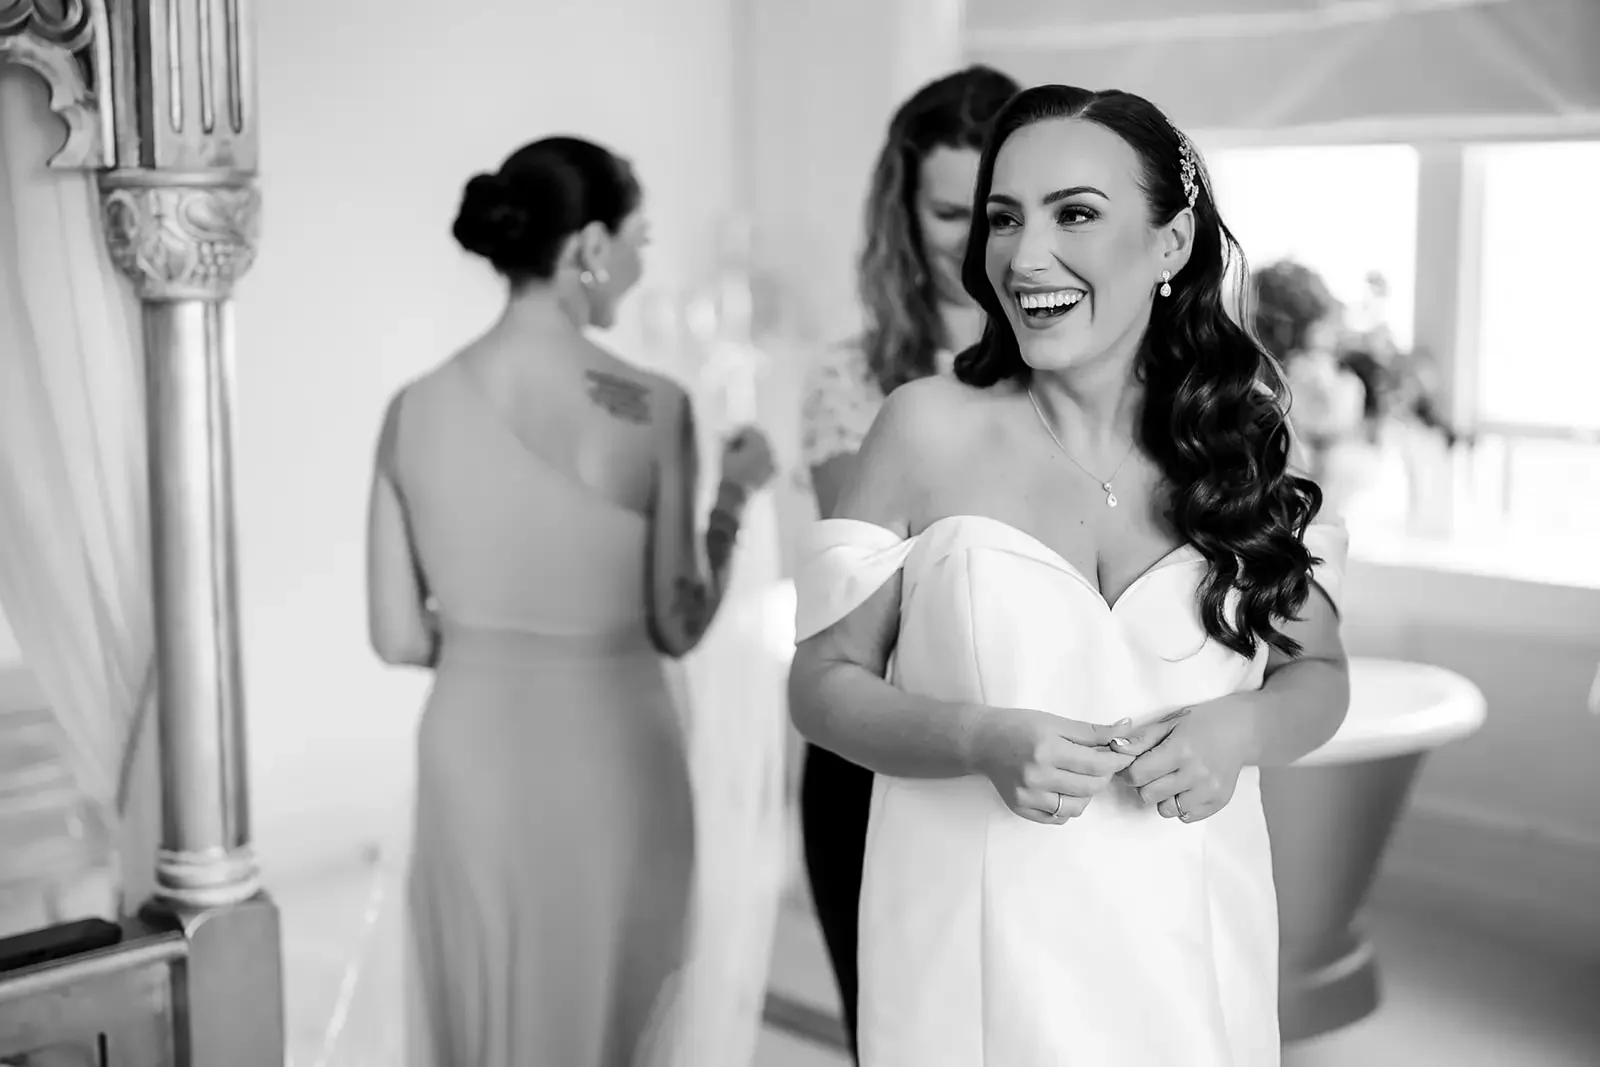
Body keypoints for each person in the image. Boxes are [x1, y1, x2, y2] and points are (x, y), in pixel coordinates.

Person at [787, 86, 1351, 1067]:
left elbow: (1320, 672)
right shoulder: (922, 427)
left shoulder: (1237, 431)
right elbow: (821, 682)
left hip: (1186, 951)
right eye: (1003, 218)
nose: (1022, 254)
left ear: (1171, 243)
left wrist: (1240, 727)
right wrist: (976, 735)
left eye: (1075, 213)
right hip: (967, 958)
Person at [364, 136, 776, 1067]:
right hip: (612, 752)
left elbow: (395, 635)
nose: (640, 263)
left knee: (487, 1001)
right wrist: (734, 496)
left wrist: (494, 640)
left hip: (471, 750)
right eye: (640, 239)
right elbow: (679, 622)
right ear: (590, 244)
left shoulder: (411, 408)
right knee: (610, 1012)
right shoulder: (650, 405)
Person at [795, 64, 1018, 1058]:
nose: (973, 241)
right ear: (900, 209)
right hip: (878, 752)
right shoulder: (851, 377)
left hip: (1042, 751)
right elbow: (875, 595)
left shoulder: (1096, 365)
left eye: (999, 210)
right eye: (945, 210)